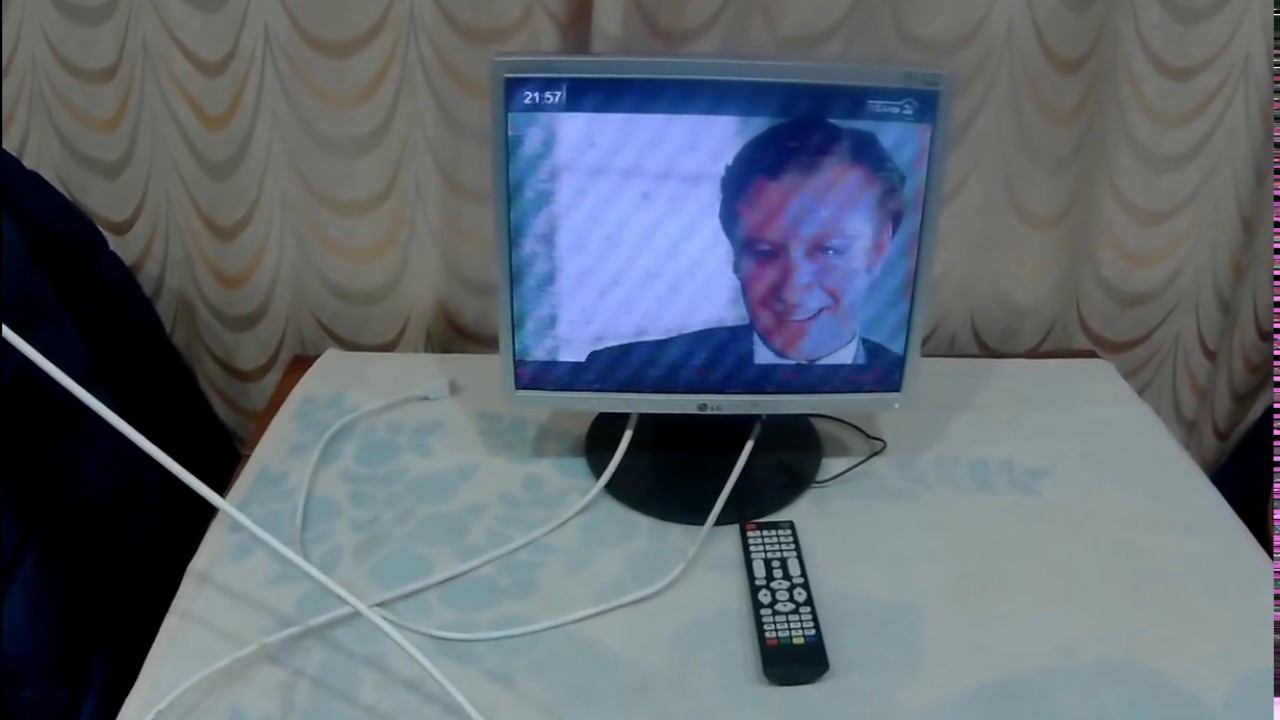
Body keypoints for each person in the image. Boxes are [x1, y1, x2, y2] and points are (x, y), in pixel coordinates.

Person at [582, 116, 907, 393]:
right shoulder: (620, 374)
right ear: (735, 255)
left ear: (877, 251)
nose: (792, 291)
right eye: (765, 253)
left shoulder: (902, 383)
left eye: (828, 250)